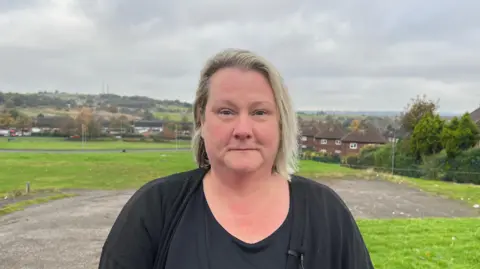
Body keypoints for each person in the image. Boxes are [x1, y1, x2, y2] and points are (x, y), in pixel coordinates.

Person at [98, 48, 374, 269]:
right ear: (201, 121)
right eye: (226, 112)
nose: (243, 130)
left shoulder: (326, 214)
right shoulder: (155, 210)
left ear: (281, 123)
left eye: (259, 112)